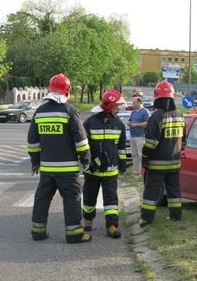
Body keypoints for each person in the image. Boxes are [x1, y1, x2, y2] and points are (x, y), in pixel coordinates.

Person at [27, 73, 91, 244]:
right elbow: (81, 141)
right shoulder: (69, 111)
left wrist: (35, 162)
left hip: (47, 169)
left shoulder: (39, 112)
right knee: (72, 200)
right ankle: (74, 234)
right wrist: (86, 160)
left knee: (42, 199)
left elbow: (32, 141)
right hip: (68, 170)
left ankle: (38, 232)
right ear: (67, 91)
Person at [139, 80, 187, 227]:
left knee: (152, 191)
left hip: (157, 164)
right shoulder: (180, 115)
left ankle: (147, 218)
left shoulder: (157, 116)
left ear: (157, 97)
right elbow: (183, 141)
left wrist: (145, 157)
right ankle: (175, 216)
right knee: (174, 190)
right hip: (175, 162)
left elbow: (150, 143)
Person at [82, 90, 127, 238]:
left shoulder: (119, 124)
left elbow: (120, 148)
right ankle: (88, 220)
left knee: (111, 200)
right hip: (92, 170)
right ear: (108, 106)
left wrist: (122, 163)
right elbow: (83, 145)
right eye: (116, 106)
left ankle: (112, 226)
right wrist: (87, 162)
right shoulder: (89, 122)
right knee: (89, 197)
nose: (118, 109)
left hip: (111, 171)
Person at [129, 96, 150, 175]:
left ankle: (142, 172)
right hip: (132, 136)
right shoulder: (134, 111)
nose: (132, 104)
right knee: (134, 154)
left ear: (139, 102)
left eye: (134, 102)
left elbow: (148, 123)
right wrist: (129, 123)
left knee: (141, 154)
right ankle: (135, 171)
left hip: (140, 136)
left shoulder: (145, 111)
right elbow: (130, 120)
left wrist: (136, 125)